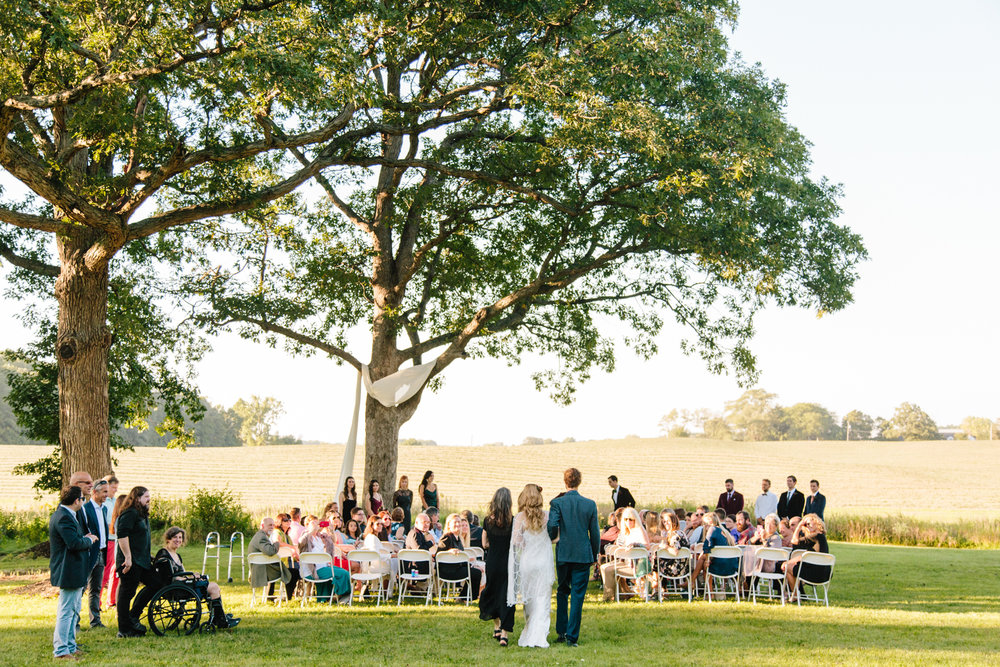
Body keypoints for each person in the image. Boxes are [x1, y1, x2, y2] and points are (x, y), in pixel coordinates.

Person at [548, 467, 600, 647]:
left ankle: (561, 631)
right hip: (583, 554)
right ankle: (572, 637)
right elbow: (595, 533)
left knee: (562, 591)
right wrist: (595, 554)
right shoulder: (590, 504)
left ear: (565, 482)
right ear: (579, 482)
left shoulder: (557, 503)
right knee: (578, 595)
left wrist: (553, 537)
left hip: (563, 553)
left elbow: (552, 526)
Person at [50, 485, 99, 659]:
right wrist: (89, 539)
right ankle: (61, 650)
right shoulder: (63, 517)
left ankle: (70, 645)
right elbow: (74, 543)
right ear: (77, 500)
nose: (83, 502)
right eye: (82, 499)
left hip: (75, 569)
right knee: (66, 611)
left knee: (73, 610)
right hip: (68, 570)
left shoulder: (69, 515)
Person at [154, 527, 239, 628]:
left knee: (211, 585)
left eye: (180, 537)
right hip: (176, 589)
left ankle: (219, 617)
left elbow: (182, 574)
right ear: (168, 539)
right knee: (213, 587)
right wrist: (188, 579)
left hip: (182, 585)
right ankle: (220, 619)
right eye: (175, 537)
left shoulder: (177, 555)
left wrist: (193, 576)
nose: (178, 540)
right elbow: (169, 577)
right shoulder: (164, 554)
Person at [507, 483, 554, 648]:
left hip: (527, 562)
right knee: (543, 599)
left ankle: (529, 633)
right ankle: (540, 636)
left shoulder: (519, 517)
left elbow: (516, 542)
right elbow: (555, 538)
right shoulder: (547, 516)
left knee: (530, 600)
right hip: (543, 562)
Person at [116, 486, 159, 638]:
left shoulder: (141, 514)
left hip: (142, 561)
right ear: (137, 497)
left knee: (156, 583)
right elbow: (122, 534)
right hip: (130, 562)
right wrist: (127, 557)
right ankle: (124, 629)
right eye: (146, 496)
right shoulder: (130, 513)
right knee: (126, 593)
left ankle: (133, 616)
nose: (149, 499)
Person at [479, 488, 515, 646]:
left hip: (492, 561)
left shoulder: (488, 520)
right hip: (508, 561)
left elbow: (484, 544)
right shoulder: (513, 521)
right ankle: (504, 634)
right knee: (507, 595)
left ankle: (496, 627)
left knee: (492, 591)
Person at [599, 507, 650, 601]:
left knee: (608, 570)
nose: (628, 522)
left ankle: (608, 597)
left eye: (631, 519)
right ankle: (621, 593)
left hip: (637, 565)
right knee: (603, 567)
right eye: (626, 519)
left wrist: (635, 545)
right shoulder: (626, 532)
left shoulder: (639, 530)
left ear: (636, 519)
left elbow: (647, 546)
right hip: (626, 561)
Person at [296, 517, 351, 602]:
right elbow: (300, 543)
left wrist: (329, 534)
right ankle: (342, 596)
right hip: (313, 570)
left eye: (317, 523)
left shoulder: (319, 537)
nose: (316, 525)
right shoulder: (306, 536)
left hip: (323, 566)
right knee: (343, 574)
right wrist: (311, 531)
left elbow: (331, 545)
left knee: (345, 572)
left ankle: (328, 598)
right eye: (313, 523)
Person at [81, 478, 110, 628]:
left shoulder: (104, 509)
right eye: (104, 492)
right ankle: (75, 622)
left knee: (96, 588)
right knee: (81, 587)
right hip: (89, 553)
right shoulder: (85, 509)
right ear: (94, 492)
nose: (107, 495)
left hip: (101, 552)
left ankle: (95, 620)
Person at [783, 513, 831, 601]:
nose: (807, 526)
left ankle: (795, 595)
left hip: (815, 574)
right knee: (790, 566)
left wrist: (799, 526)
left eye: (809, 523)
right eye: (806, 525)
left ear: (816, 522)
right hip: (825, 574)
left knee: (786, 567)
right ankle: (797, 595)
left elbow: (794, 541)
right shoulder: (820, 537)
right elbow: (805, 556)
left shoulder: (815, 536)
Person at [690, 513, 738, 596]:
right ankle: (693, 582)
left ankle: (693, 583)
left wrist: (705, 558)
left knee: (705, 563)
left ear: (710, 522)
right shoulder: (724, 531)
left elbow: (707, 545)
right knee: (704, 560)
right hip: (731, 568)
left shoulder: (713, 529)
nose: (704, 527)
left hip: (719, 568)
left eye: (705, 524)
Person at [437, 513, 482, 600]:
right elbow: (439, 554)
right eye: (455, 523)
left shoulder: (458, 538)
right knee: (475, 573)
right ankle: (465, 597)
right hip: (448, 570)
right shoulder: (446, 537)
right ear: (449, 525)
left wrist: (471, 564)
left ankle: (465, 597)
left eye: (459, 522)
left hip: (457, 568)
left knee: (477, 571)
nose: (458, 524)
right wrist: (448, 551)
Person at [249, 517, 292, 600]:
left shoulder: (261, 535)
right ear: (262, 525)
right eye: (269, 525)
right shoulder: (261, 537)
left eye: (273, 525)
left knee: (289, 570)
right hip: (262, 571)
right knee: (293, 572)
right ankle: (287, 597)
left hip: (261, 567)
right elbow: (270, 551)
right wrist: (276, 543)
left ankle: (276, 596)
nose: (272, 527)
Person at [655, 511, 690, 588]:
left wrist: (665, 547)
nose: (666, 523)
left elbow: (675, 552)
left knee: (653, 561)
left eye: (668, 521)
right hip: (685, 568)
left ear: (673, 522)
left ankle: (658, 587)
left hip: (677, 568)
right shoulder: (679, 533)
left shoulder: (675, 535)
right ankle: (660, 587)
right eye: (664, 522)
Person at [100, 475, 119, 612]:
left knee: (115, 571)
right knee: (104, 572)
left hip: (116, 539)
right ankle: (97, 602)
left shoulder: (115, 501)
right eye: (113, 488)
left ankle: (111, 600)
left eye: (116, 488)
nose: (114, 491)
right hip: (108, 539)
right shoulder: (104, 503)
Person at [272, 513, 301, 600]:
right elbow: (278, 542)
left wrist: (296, 555)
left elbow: (294, 550)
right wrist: (291, 548)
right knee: (295, 572)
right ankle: (288, 596)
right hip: (280, 563)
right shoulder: (277, 532)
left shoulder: (287, 536)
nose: (288, 522)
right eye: (285, 520)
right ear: (279, 522)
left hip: (290, 562)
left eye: (289, 520)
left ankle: (290, 595)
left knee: (300, 570)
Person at [105, 493, 126, 610]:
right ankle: (112, 601)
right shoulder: (120, 519)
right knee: (116, 576)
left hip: (117, 549)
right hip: (118, 551)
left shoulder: (119, 518)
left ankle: (113, 601)